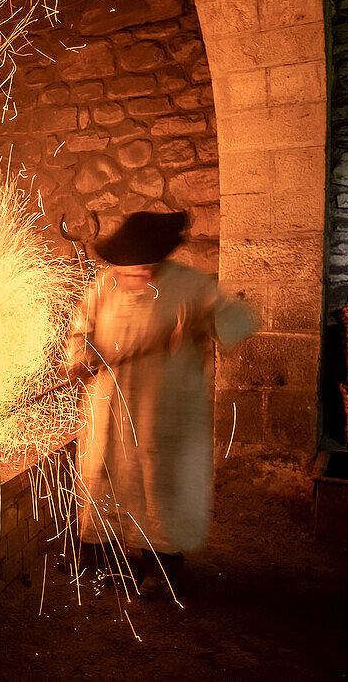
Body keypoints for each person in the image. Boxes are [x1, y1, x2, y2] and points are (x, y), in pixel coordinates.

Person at [65, 210, 255, 600]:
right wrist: (81, 358)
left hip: (164, 409)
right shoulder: (105, 283)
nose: (140, 276)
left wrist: (201, 324)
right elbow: (81, 328)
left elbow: (239, 322)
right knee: (106, 476)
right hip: (110, 404)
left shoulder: (190, 286)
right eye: (132, 268)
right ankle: (109, 557)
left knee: (159, 483)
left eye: (148, 267)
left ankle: (163, 564)